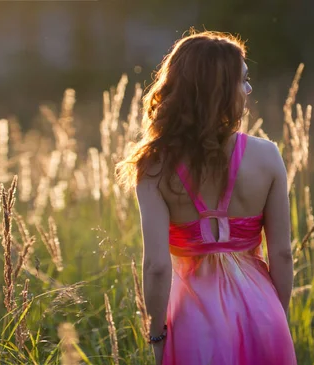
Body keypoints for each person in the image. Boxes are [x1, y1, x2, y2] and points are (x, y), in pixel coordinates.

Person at [116, 30, 297, 365]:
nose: (249, 89)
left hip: (192, 319)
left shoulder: (153, 166)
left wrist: (157, 335)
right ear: (218, 90)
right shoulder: (267, 156)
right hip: (262, 311)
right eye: (242, 80)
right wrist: (275, 316)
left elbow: (157, 267)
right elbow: (282, 254)